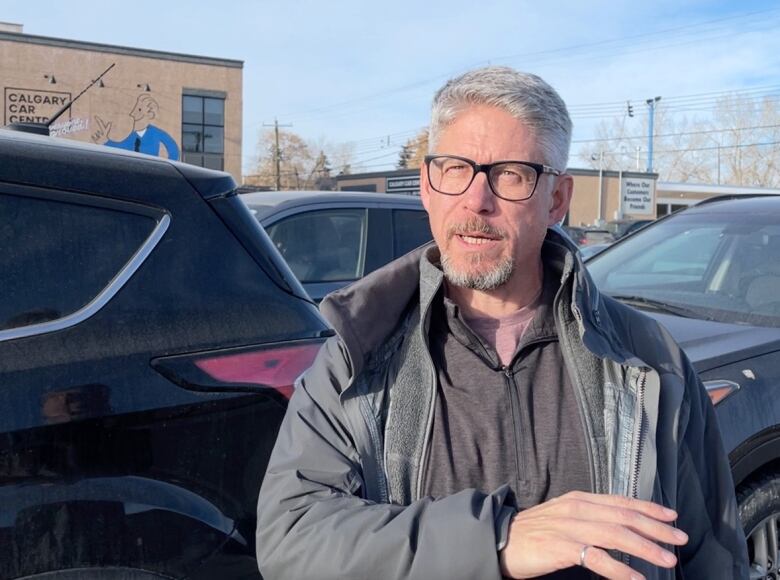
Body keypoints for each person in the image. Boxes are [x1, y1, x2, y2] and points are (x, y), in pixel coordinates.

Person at [256, 66, 748, 579]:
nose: (476, 200)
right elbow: (292, 538)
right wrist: (497, 539)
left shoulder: (648, 361)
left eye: (511, 174)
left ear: (557, 199)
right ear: (427, 186)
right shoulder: (359, 355)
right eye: (454, 168)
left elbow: (711, 556)